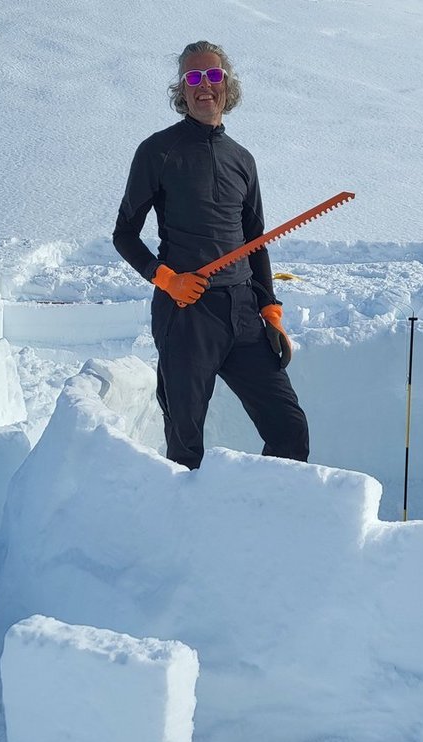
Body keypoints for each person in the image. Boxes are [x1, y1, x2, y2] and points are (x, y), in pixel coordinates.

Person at [112, 40, 310, 471]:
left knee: (289, 429)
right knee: (186, 445)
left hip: (242, 313)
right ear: (181, 90)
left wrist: (269, 309)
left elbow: (255, 240)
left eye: (214, 76)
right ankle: (189, 533)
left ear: (228, 86)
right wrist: (164, 278)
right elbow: (124, 234)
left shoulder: (242, 159)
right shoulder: (157, 151)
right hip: (186, 311)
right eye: (194, 77)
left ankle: (260, 515)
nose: (205, 86)